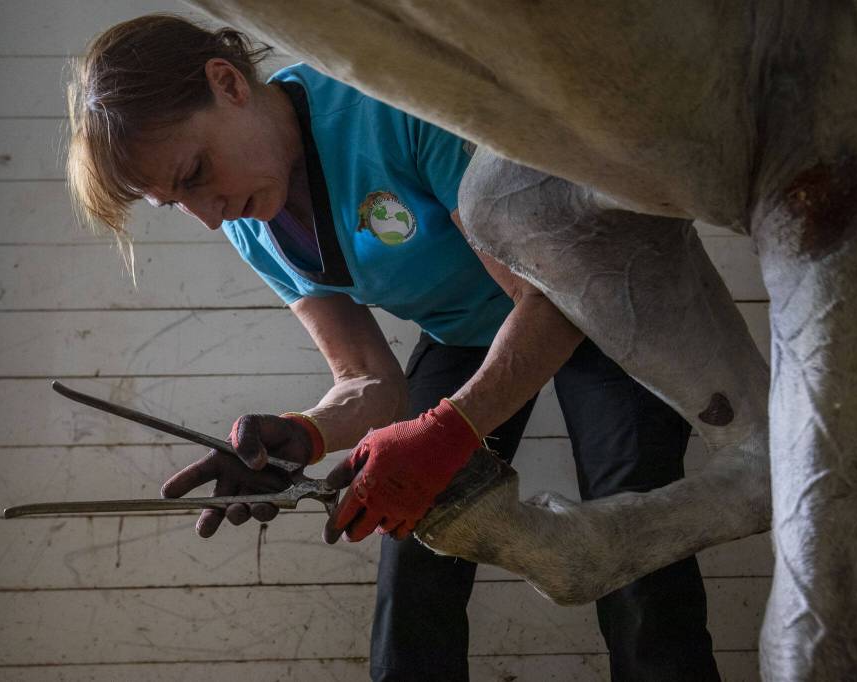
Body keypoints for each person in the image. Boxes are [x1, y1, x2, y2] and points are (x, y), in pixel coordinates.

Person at [67, 14, 720, 681]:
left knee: (635, 535)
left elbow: (549, 301)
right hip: (468, 333)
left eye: (195, 172)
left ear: (228, 83)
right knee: (415, 553)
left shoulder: (392, 108)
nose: (208, 214)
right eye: (175, 201)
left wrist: (449, 430)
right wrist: (300, 434)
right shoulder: (249, 220)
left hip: (593, 303)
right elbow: (369, 381)